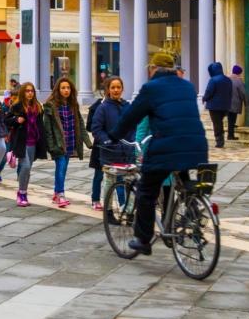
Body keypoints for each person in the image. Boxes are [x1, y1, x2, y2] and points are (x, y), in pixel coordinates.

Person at [110, 50, 209, 256]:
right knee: (184, 181)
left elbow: (131, 116)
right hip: (197, 146)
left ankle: (143, 240)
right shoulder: (188, 86)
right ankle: (192, 214)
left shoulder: (151, 88)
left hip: (166, 146)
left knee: (147, 191)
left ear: (153, 68)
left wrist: (114, 135)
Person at [41, 77, 84, 208]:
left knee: (63, 168)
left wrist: (86, 141)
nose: (66, 90)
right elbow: (47, 128)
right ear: (58, 90)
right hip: (58, 144)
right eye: (63, 88)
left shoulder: (73, 104)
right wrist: (51, 146)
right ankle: (60, 194)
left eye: (68, 88)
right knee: (60, 167)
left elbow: (80, 123)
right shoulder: (51, 105)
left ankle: (56, 193)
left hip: (70, 142)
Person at [88, 76, 128, 210]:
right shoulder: (102, 107)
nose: (116, 90)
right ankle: (107, 208)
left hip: (124, 151)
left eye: (118, 87)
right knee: (107, 179)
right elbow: (95, 128)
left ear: (122, 89)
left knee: (122, 180)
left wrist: (132, 141)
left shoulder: (127, 106)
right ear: (108, 90)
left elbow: (132, 126)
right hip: (108, 151)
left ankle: (123, 206)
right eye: (113, 87)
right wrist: (107, 141)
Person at [5, 82, 44, 206]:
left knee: (27, 169)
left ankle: (24, 193)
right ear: (23, 92)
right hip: (21, 142)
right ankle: (21, 193)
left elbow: (40, 125)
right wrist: (16, 120)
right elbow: (6, 120)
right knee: (25, 166)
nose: (30, 93)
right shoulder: (17, 106)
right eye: (27, 91)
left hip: (33, 142)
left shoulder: (37, 107)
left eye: (32, 91)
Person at [202, 62, 235, 148]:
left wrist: (204, 98)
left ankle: (219, 141)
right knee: (219, 122)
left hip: (214, 106)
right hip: (225, 106)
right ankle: (221, 140)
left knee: (217, 123)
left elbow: (209, 91)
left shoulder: (213, 80)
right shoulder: (228, 80)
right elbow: (230, 93)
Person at [228, 65, 248, 141]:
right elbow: (243, 93)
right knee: (232, 120)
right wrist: (247, 104)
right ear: (239, 73)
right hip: (235, 103)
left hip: (227, 103)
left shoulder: (227, 79)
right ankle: (230, 136)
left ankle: (230, 135)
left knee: (230, 120)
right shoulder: (239, 81)